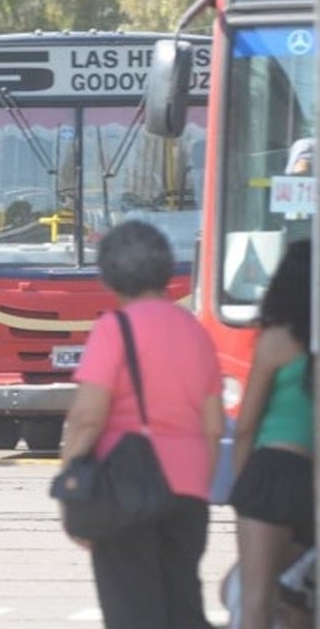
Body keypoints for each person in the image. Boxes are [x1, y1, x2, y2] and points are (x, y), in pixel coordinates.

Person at [60, 220, 225, 629]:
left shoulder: (115, 329)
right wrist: (197, 486)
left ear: (108, 274)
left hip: (127, 489)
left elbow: (86, 418)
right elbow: (213, 425)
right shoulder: (196, 332)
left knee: (133, 612)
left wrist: (72, 490)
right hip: (188, 491)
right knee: (183, 609)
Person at [229, 239, 313, 629]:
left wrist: (242, 485)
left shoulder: (276, 341)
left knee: (257, 599)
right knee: (303, 599)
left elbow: (247, 425)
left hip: (273, 471)